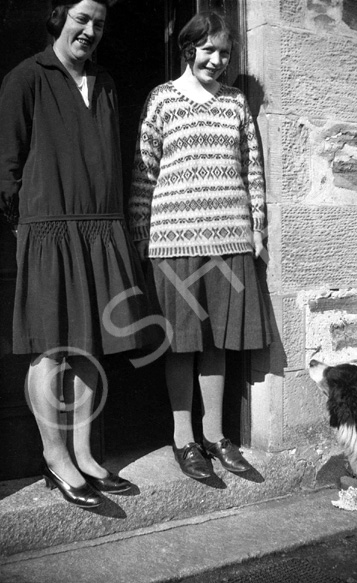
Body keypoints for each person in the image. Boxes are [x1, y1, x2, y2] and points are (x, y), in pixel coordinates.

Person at [0, 0, 152, 507]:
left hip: (101, 227)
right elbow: (7, 165)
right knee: (51, 346)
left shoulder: (105, 84)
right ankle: (55, 457)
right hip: (49, 228)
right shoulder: (27, 77)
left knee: (92, 344)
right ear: (59, 19)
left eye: (100, 24)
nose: (90, 31)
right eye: (82, 19)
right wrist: (28, 224)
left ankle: (86, 455)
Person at [130, 12, 272, 480]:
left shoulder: (234, 103)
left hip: (229, 237)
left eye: (226, 52)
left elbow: (252, 169)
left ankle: (215, 436)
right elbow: (143, 173)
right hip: (173, 241)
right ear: (189, 48)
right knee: (181, 343)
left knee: (217, 343)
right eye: (208, 49)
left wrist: (257, 228)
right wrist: (138, 235)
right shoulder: (163, 99)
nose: (218, 58)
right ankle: (183, 438)